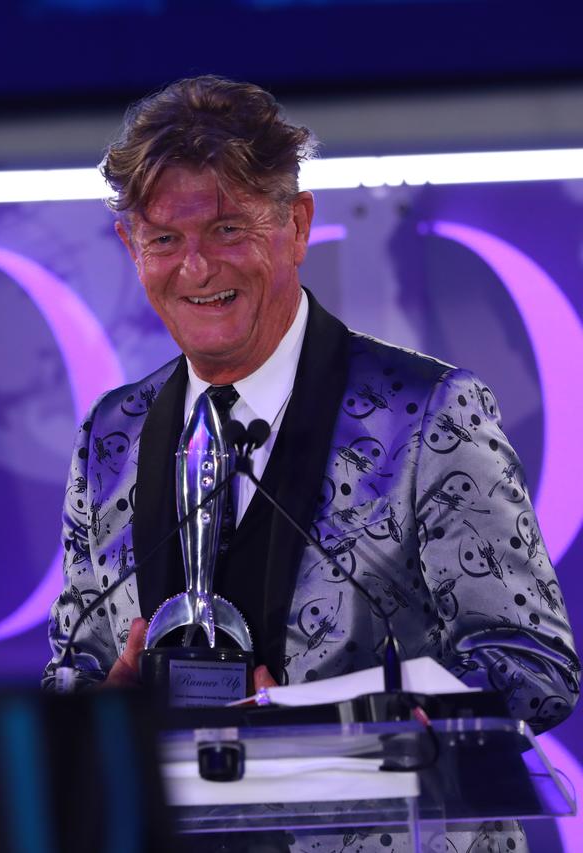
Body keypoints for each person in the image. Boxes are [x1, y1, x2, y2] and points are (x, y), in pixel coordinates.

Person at [44, 76, 578, 851]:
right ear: (132, 246)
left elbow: (534, 664)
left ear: (296, 225)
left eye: (228, 229)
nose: (195, 268)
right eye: (164, 239)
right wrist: (104, 703)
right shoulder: (111, 434)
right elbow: (69, 670)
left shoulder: (428, 412)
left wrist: (344, 721)